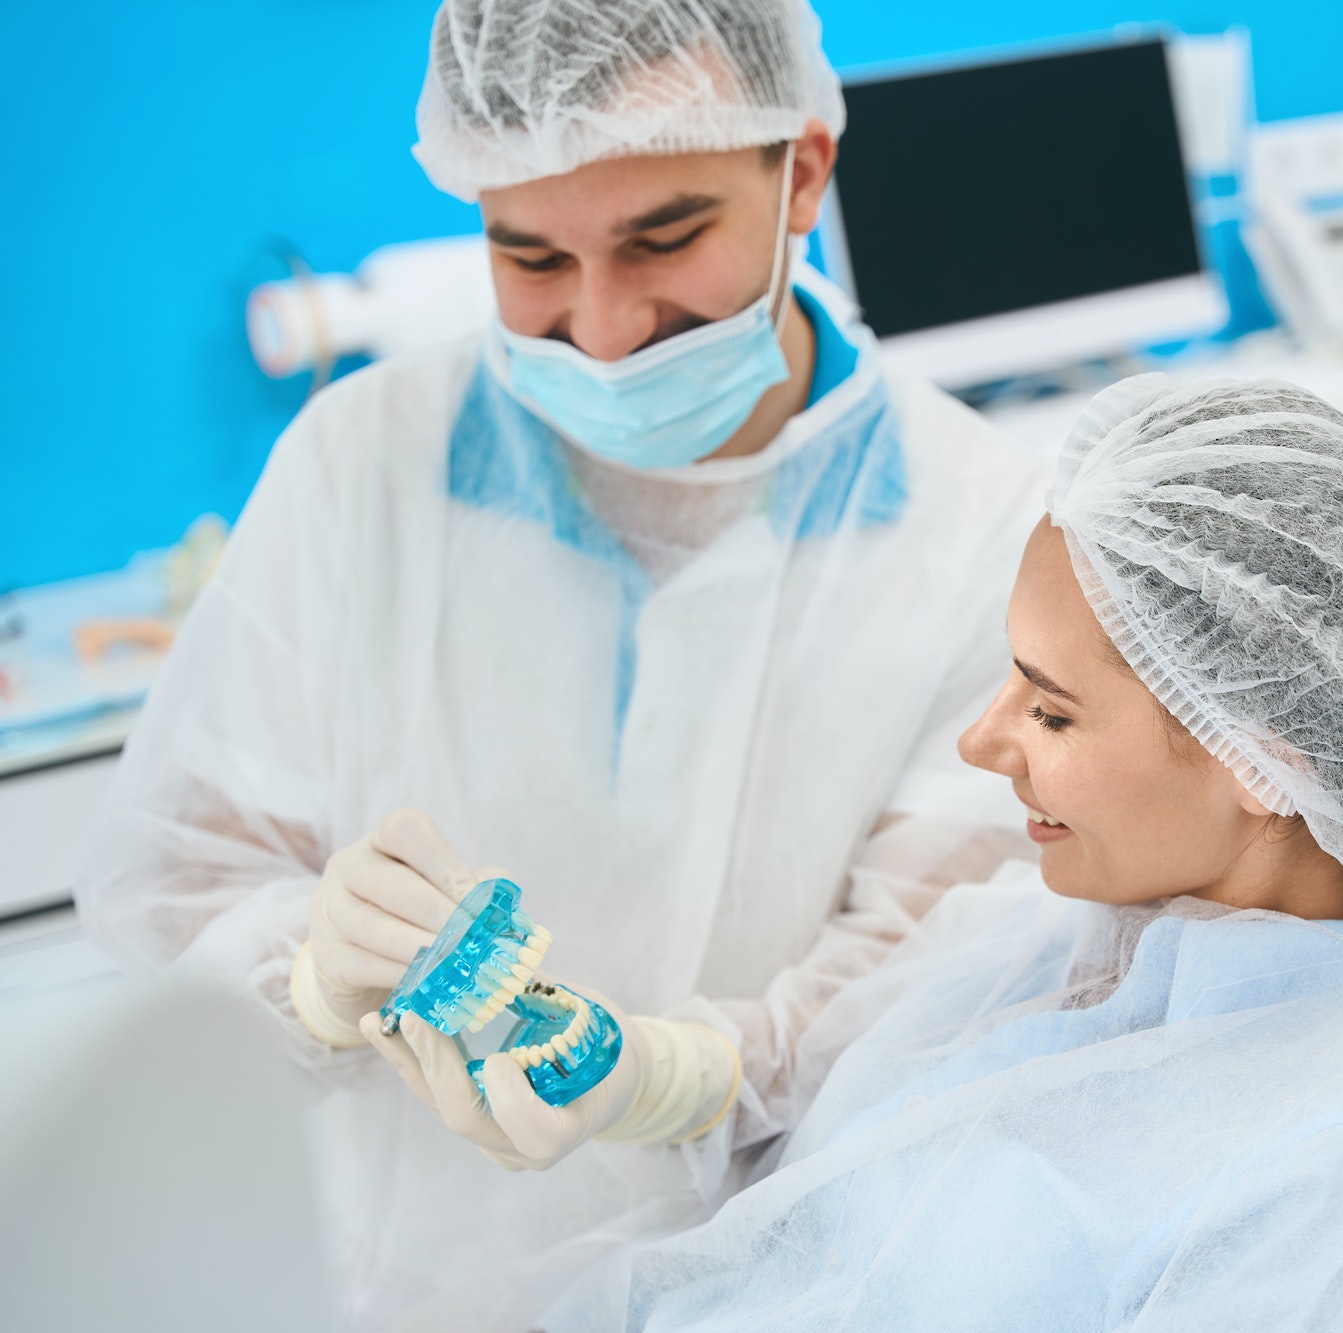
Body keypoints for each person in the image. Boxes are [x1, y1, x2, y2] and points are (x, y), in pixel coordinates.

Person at [73, 0, 1044, 1327]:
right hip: (403, 1282)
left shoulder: (975, 521)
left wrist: (693, 1076)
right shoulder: (366, 464)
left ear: (802, 169)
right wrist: (301, 972)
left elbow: (956, 973)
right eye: (528, 255)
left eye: (666, 236)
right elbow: (185, 873)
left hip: (794, 1281)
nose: (599, 326)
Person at [524, 377, 1343, 1332]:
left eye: (1049, 712)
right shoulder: (1087, 932)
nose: (980, 738)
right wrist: (639, 1071)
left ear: (1263, 760)